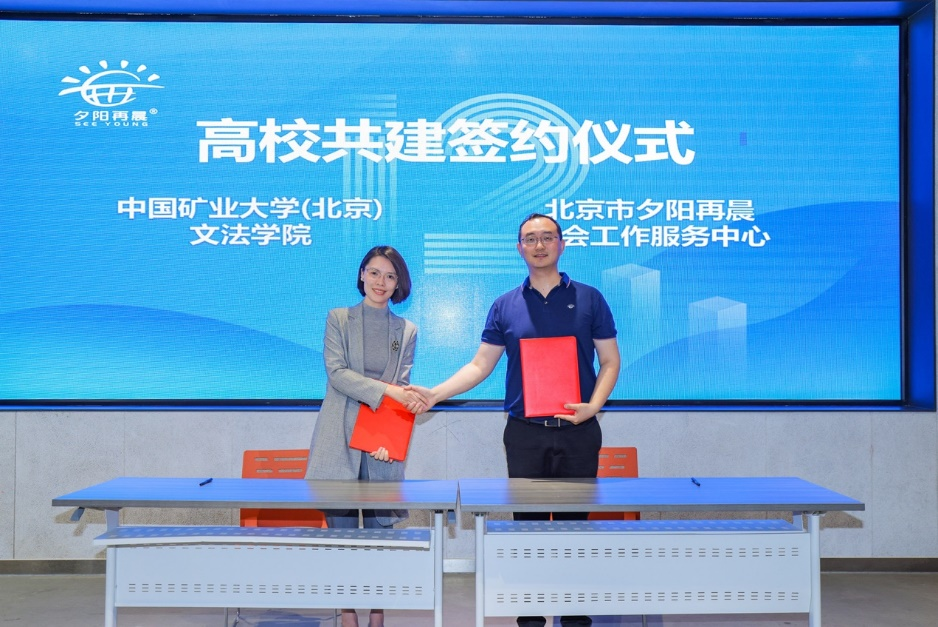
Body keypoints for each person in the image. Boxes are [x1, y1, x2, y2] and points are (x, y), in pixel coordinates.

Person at [408, 213, 620, 627]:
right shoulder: (505, 305)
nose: (539, 245)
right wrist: (435, 394)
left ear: (562, 244)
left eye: (547, 237)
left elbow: (610, 361)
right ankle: (531, 618)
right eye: (530, 239)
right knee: (528, 530)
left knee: (576, 529)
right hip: (524, 434)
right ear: (519, 248)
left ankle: (575, 618)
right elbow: (480, 365)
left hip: (579, 432)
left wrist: (593, 406)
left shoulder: (590, 298)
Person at [305, 245, 427, 627]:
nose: (381, 282)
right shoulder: (339, 319)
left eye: (390, 276)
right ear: (361, 275)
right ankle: (347, 613)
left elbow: (402, 386)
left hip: (381, 443)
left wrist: (389, 434)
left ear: (398, 283)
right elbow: (338, 374)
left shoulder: (407, 330)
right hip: (338, 438)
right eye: (374, 272)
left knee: (380, 539)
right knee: (340, 537)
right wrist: (388, 391)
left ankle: (377, 613)